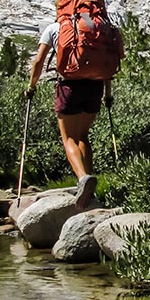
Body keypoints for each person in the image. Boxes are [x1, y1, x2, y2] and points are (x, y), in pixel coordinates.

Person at [26, 16, 113, 209]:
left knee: (69, 139)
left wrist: (31, 87)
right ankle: (89, 182)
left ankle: (83, 179)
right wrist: (108, 94)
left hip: (69, 87)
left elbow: (39, 61)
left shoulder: (55, 28)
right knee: (83, 135)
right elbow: (107, 66)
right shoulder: (96, 29)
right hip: (95, 86)